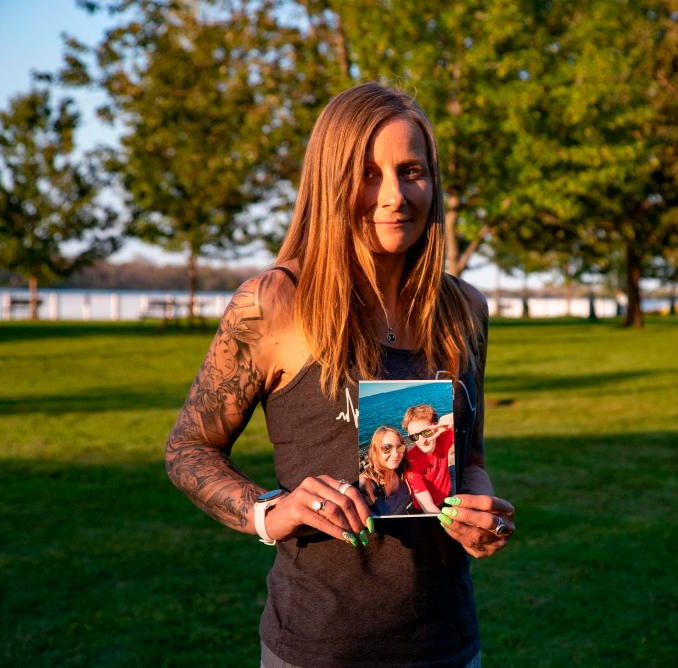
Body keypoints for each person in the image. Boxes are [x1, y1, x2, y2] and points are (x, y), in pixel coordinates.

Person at [164, 82, 515, 668]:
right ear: (329, 182)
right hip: (316, 648)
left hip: (448, 646)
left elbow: (469, 460)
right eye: (368, 174)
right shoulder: (274, 303)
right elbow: (188, 448)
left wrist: (480, 511)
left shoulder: (464, 311)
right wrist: (271, 512)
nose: (394, 197)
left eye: (412, 171)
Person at [358, 426, 427, 516]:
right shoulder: (367, 484)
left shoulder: (401, 469)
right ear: (375, 450)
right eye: (387, 448)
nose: (396, 454)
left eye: (400, 447)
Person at [402, 404, 454, 511]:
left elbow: (471, 415)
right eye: (414, 436)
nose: (422, 441)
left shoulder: (443, 438)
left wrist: (450, 419)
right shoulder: (411, 463)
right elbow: (428, 507)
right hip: (426, 508)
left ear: (435, 427)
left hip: (447, 495)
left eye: (426, 432)